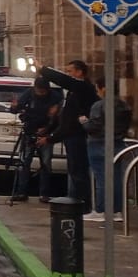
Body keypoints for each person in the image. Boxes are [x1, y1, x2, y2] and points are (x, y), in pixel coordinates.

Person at [38, 61, 98, 206]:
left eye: (70, 71)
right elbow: (64, 117)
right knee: (74, 171)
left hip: (77, 136)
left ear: (80, 72)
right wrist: (49, 132)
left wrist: (43, 70)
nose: (68, 74)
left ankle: (83, 204)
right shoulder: (72, 92)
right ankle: (75, 200)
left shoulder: (83, 87)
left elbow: (71, 122)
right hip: (70, 136)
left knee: (79, 172)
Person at [83, 78, 132, 223]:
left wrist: (84, 122)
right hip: (118, 143)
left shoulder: (99, 105)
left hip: (99, 143)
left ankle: (101, 210)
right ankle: (116, 210)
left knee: (102, 179)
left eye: (97, 88)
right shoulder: (124, 105)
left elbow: (95, 126)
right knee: (116, 178)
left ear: (103, 88)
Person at [8, 78, 60, 204]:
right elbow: (16, 109)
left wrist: (47, 128)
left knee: (46, 164)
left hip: (46, 133)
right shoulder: (29, 94)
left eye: (43, 92)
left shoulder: (55, 97)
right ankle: (21, 192)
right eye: (39, 91)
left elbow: (59, 118)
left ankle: (44, 194)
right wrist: (14, 107)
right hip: (29, 131)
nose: (41, 94)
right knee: (24, 162)